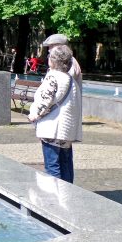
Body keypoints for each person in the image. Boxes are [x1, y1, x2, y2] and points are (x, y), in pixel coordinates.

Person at [28, 45, 83, 184]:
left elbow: (44, 100)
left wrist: (33, 115)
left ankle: (55, 200)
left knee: (52, 166)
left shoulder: (53, 77)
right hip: (67, 130)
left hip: (53, 128)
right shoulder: (71, 80)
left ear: (53, 61)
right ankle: (68, 196)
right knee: (66, 164)